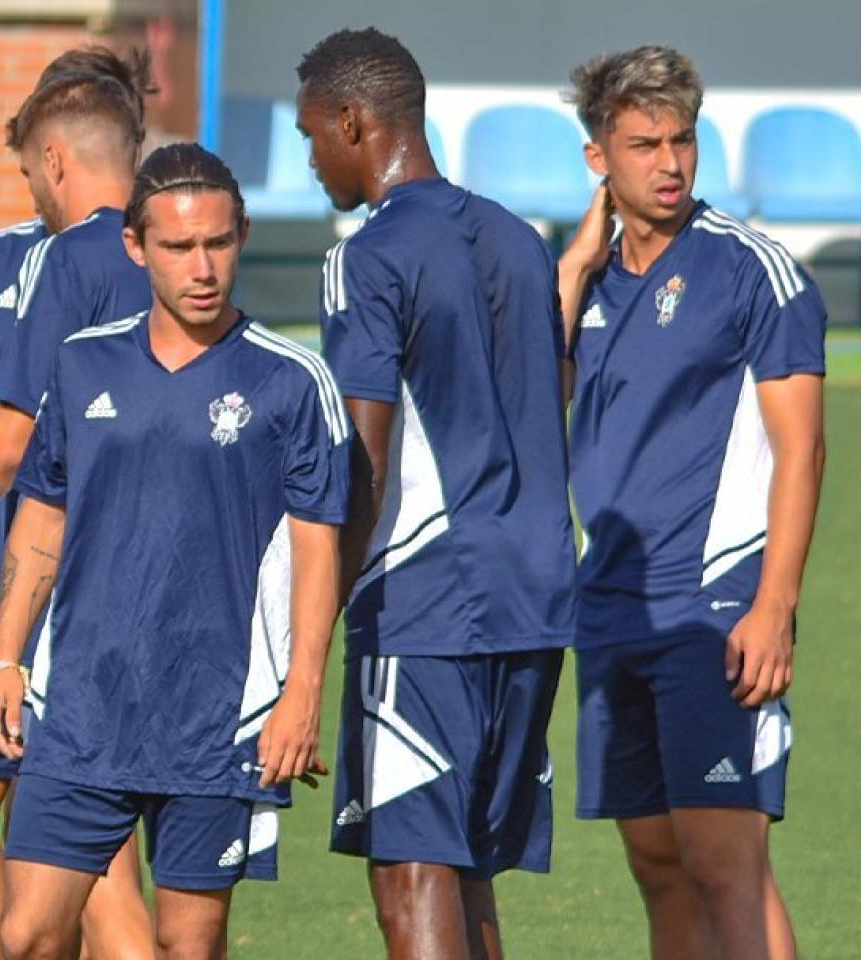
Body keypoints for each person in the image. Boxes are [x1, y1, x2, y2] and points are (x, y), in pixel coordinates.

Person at [0, 142, 350, 960]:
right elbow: (41, 517)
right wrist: (5, 656)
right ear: (135, 245)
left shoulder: (292, 380)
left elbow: (318, 552)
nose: (202, 267)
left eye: (217, 242)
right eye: (178, 246)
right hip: (83, 701)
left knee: (189, 942)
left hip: (216, 710)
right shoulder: (82, 363)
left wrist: (302, 694)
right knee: (28, 934)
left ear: (243, 234)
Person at [295, 28, 578, 959]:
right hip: (535, 598)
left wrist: (309, 632)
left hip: (425, 604)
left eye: (312, 135)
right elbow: (550, 397)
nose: (310, 159)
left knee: (412, 876)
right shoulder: (521, 242)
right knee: (467, 871)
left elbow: (362, 463)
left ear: (352, 121)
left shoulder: (367, 257)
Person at [558, 45, 822, 960]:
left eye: (682, 140)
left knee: (726, 867)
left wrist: (774, 607)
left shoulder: (753, 272)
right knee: (659, 869)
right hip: (610, 610)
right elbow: (534, 414)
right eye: (644, 145)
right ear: (598, 156)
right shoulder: (586, 280)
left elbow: (803, 449)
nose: (669, 163)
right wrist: (568, 277)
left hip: (715, 611)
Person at [0, 45, 158, 960]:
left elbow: (9, 437)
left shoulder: (131, 250)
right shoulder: (4, 258)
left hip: (67, 584)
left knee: (90, 850)